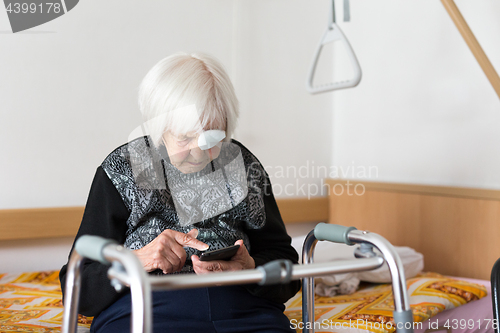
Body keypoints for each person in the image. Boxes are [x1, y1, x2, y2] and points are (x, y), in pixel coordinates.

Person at [59, 52, 300, 333]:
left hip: (244, 309)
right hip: (146, 310)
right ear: (159, 128)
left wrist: (251, 268)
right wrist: (137, 261)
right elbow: (77, 288)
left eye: (212, 138)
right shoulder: (121, 169)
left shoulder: (244, 167)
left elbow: (286, 265)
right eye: (185, 137)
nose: (199, 153)